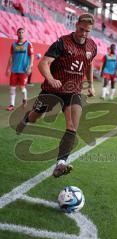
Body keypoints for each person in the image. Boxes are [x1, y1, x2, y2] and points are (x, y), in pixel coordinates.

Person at [16, 13, 97, 178]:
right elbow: (43, 63)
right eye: (81, 29)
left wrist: (91, 84)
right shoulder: (62, 43)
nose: (83, 34)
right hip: (52, 90)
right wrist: (51, 79)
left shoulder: (92, 46)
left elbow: (89, 63)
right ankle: (27, 118)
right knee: (36, 116)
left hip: (73, 91)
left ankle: (61, 164)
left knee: (72, 126)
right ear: (76, 25)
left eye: (87, 31)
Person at [6, 27, 34, 111]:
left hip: (23, 70)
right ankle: (11, 105)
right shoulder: (13, 45)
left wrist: (30, 66)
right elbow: (11, 57)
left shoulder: (28, 44)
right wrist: (8, 68)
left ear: (24, 34)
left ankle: (25, 99)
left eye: (22, 32)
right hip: (14, 70)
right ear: (17, 34)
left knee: (22, 88)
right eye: (19, 32)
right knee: (12, 88)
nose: (21, 34)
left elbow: (32, 56)